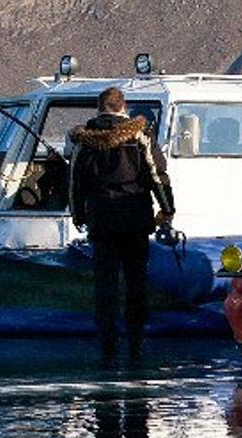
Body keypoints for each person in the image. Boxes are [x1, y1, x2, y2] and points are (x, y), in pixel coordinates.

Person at [68, 87, 175, 356]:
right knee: (136, 281)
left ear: (99, 108)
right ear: (123, 107)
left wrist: (78, 214)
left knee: (105, 283)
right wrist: (167, 209)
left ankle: (107, 342)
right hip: (135, 218)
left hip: (101, 219)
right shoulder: (139, 135)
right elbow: (156, 175)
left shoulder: (84, 141)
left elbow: (75, 182)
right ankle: (136, 340)